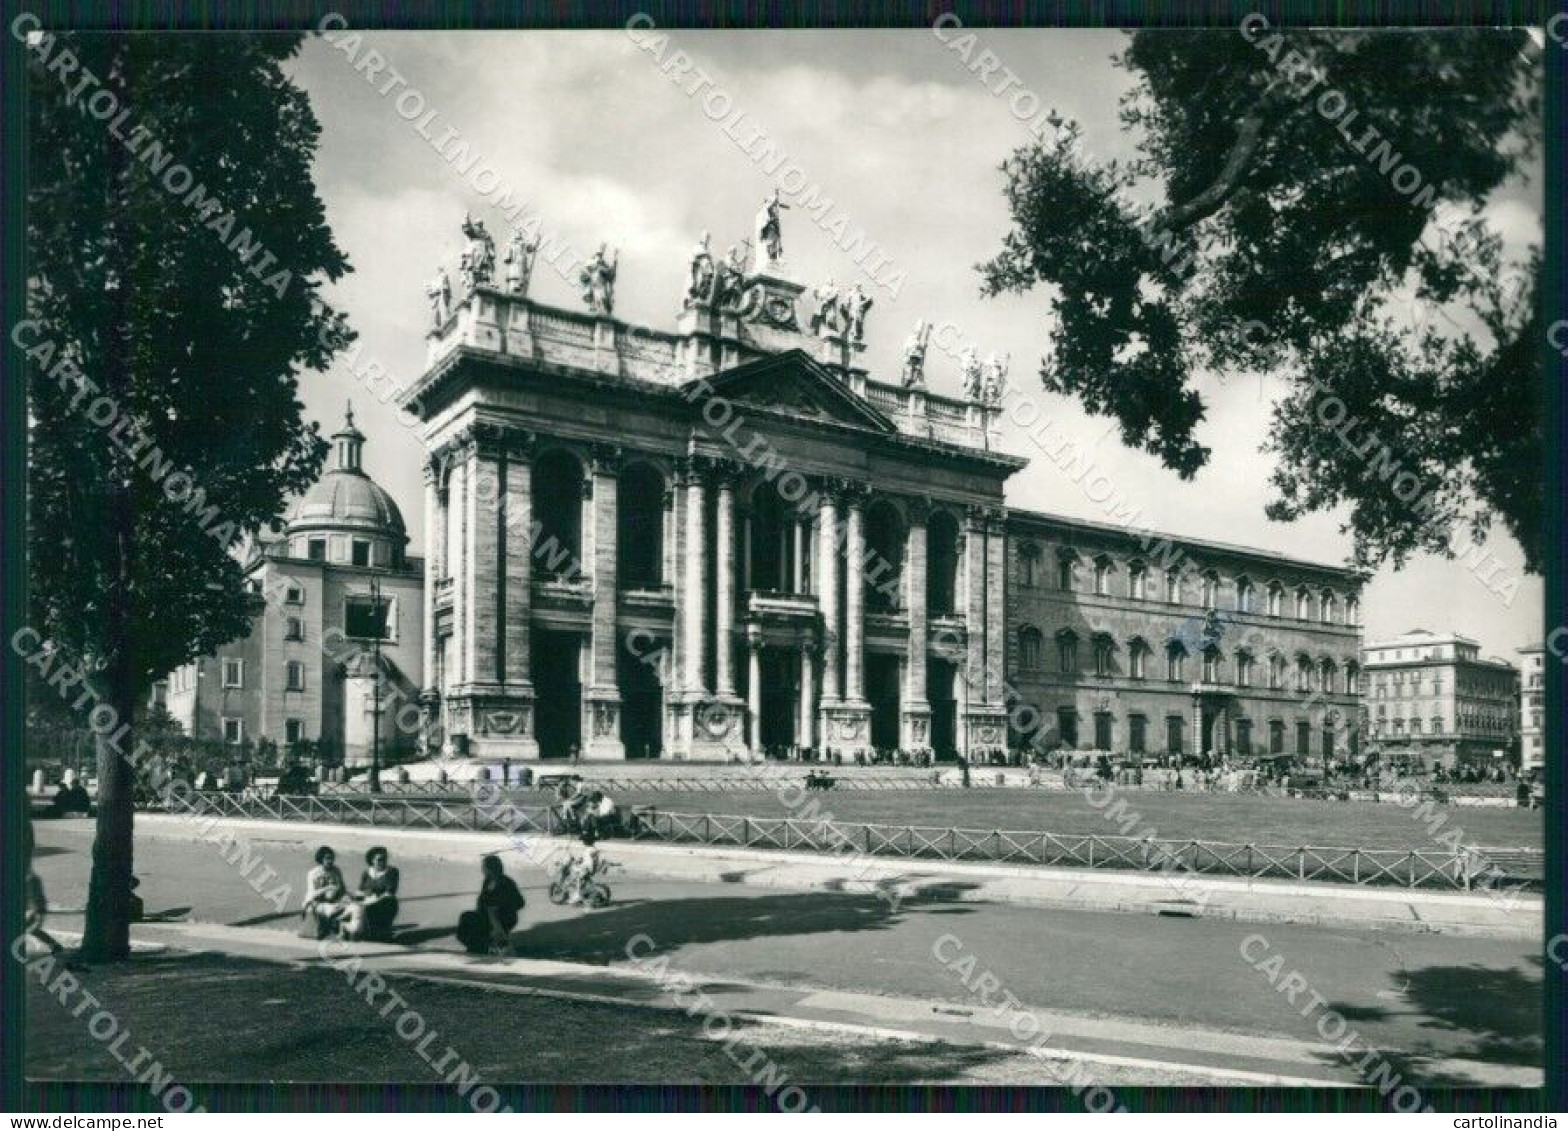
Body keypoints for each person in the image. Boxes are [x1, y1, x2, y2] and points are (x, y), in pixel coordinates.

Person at [459, 855, 525, 955]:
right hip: (487, 916)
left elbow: (520, 902)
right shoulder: (487, 881)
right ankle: (478, 946)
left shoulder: (506, 882)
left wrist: (501, 906)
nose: (482, 869)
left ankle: (488, 945)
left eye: (484, 867)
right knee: (466, 918)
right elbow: (484, 901)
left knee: (473, 921)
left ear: (491, 868)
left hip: (503, 918)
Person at [345, 846, 400, 942]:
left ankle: (375, 933)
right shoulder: (366, 873)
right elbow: (359, 891)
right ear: (372, 860)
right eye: (379, 859)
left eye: (384, 859)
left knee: (368, 910)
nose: (382, 862)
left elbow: (390, 891)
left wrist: (373, 896)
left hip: (386, 903)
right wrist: (360, 896)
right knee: (351, 907)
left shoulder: (392, 871)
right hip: (368, 900)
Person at [301, 846, 350, 939]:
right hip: (316, 902)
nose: (330, 861)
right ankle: (328, 929)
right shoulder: (313, 873)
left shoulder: (336, 870)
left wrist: (346, 895)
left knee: (350, 907)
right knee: (329, 910)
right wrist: (328, 888)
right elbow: (312, 893)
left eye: (332, 858)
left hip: (333, 900)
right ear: (321, 859)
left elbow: (342, 888)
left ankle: (338, 929)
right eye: (327, 858)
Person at [569, 833, 604, 906]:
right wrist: (579, 860)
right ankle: (584, 894)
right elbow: (585, 858)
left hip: (587, 869)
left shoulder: (590, 850)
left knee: (578, 881)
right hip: (588, 868)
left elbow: (592, 859)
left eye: (584, 841)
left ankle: (579, 898)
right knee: (581, 878)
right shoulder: (591, 849)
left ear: (585, 842)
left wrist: (577, 862)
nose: (583, 842)